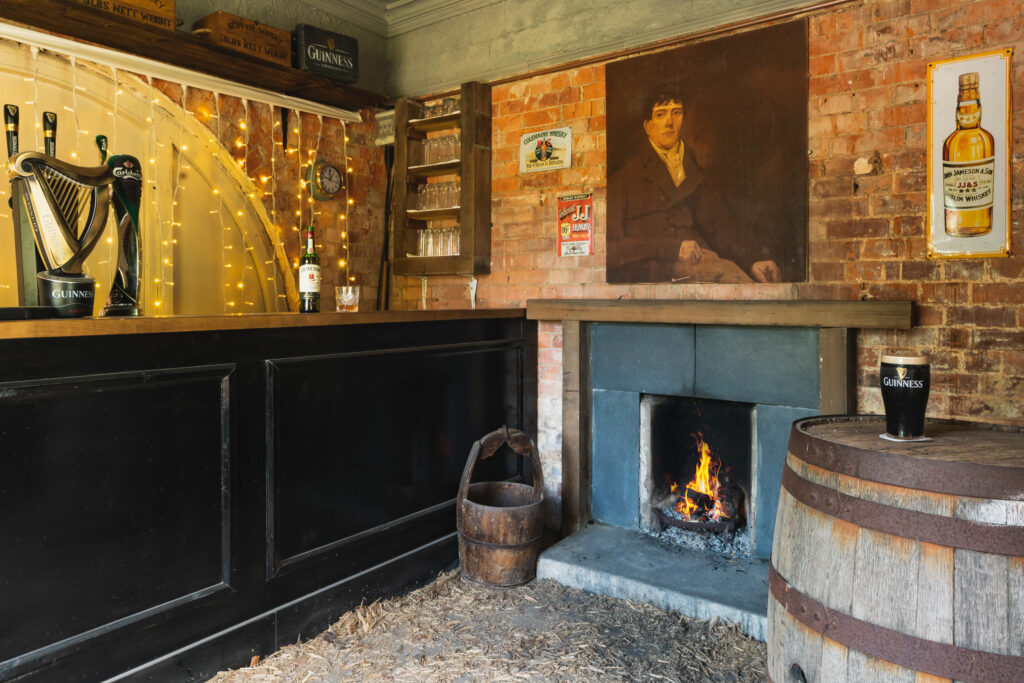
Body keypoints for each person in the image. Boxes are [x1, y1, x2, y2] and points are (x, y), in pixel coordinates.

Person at [607, 84, 782, 283]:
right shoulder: (622, 179)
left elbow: (719, 223)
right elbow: (610, 249)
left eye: (677, 113)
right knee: (731, 279)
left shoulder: (693, 170)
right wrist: (672, 249)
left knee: (753, 281)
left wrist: (754, 259)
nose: (669, 123)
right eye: (660, 114)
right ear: (648, 126)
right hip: (655, 271)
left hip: (704, 261)